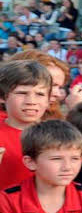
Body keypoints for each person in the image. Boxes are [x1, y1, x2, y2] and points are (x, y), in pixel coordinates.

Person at [0, 60, 51, 191]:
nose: (31, 101)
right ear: (2, 96)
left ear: (48, 99)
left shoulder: (60, 135)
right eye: (22, 93)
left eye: (40, 94)